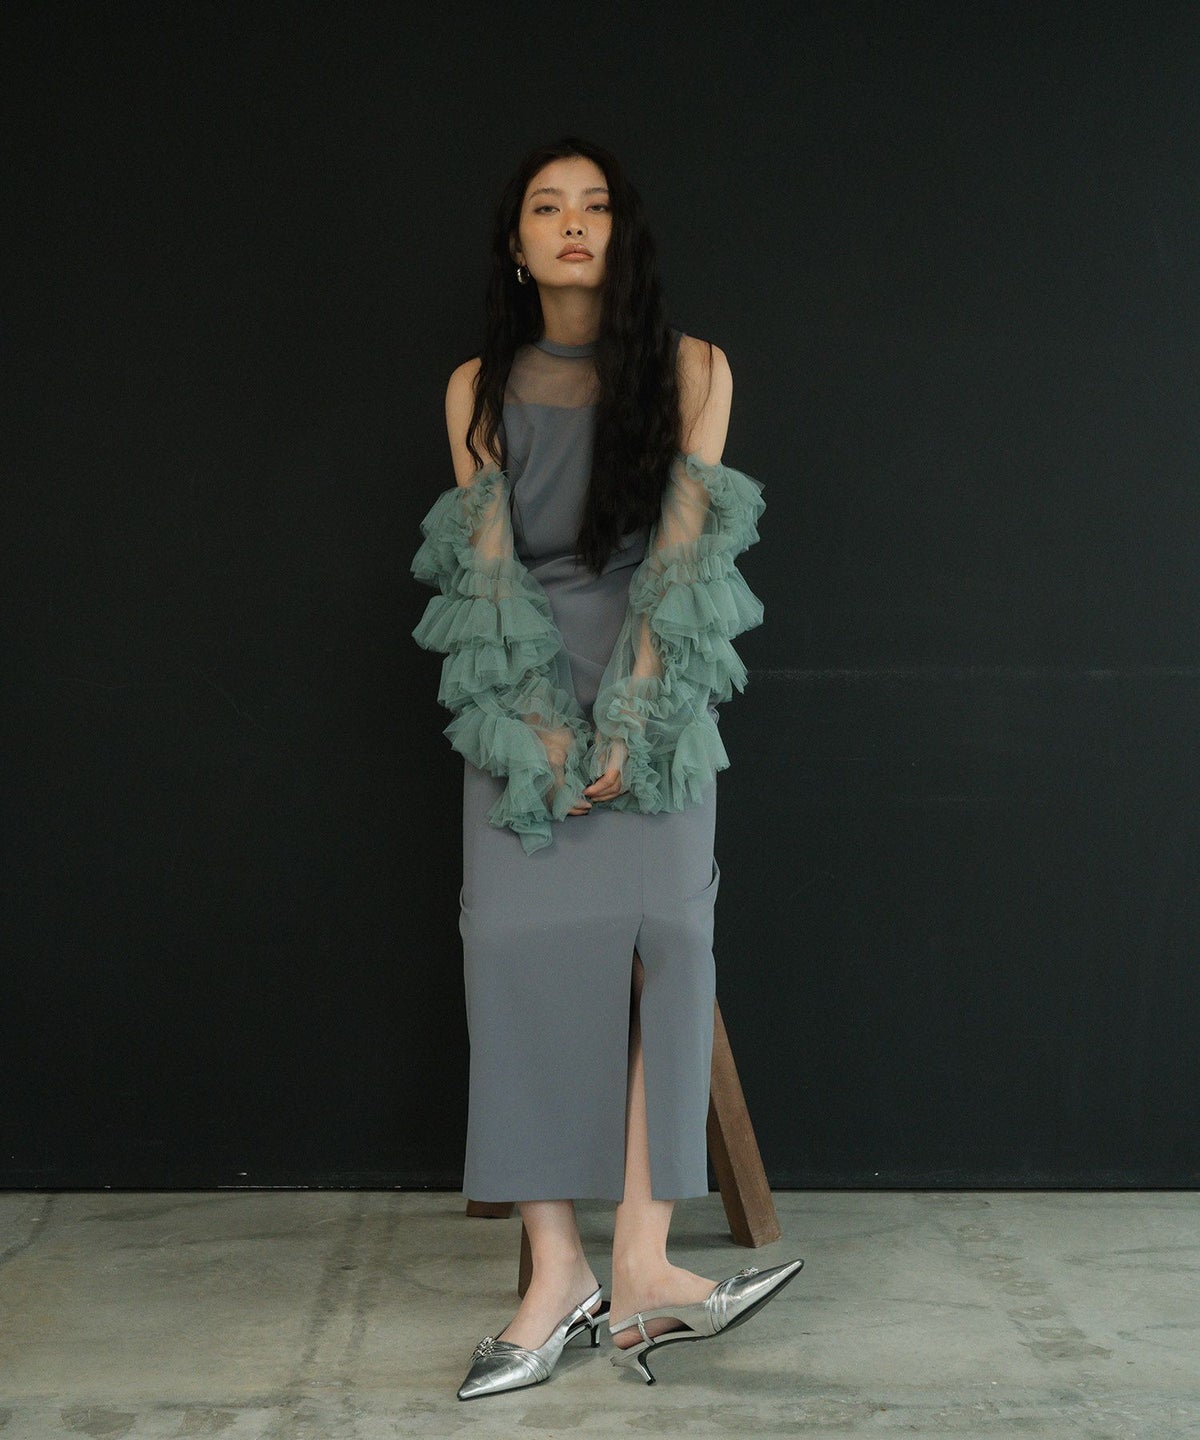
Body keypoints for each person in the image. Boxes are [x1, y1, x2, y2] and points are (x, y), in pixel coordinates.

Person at [410, 137, 802, 1399]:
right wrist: (540, 728)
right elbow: (486, 576)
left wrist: (630, 718)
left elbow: (684, 559)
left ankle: (642, 1266)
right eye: (547, 207)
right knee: (507, 946)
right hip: (516, 689)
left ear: (622, 239)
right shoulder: (475, 388)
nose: (573, 223)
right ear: (517, 246)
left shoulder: (694, 370)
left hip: (657, 675)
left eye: (595, 207)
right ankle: (555, 1273)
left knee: (673, 940)